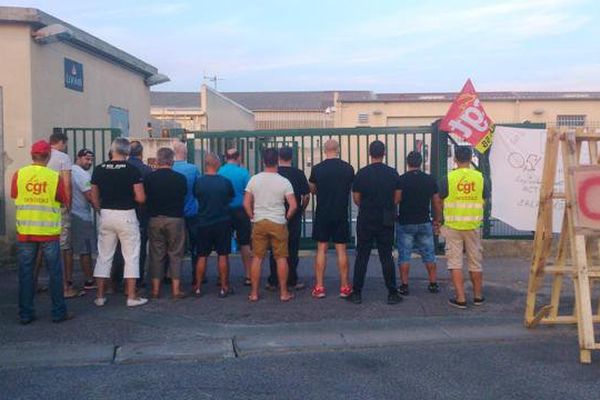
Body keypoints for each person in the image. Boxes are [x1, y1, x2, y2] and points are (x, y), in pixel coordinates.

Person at [11, 140, 73, 324]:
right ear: (48, 156)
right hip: (48, 232)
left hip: (26, 231)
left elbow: (15, 195)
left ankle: (25, 314)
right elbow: (63, 199)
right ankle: (58, 313)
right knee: (54, 273)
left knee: (26, 273)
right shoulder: (53, 177)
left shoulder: (19, 174)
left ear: (32, 155)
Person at [90, 138, 148, 307]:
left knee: (104, 255)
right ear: (127, 152)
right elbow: (140, 197)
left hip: (106, 214)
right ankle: (131, 296)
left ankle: (100, 296)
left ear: (112, 150)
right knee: (131, 256)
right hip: (127, 214)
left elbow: (94, 196)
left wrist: (101, 209)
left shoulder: (99, 169)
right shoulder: (131, 170)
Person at [347, 140, 402, 305]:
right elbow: (398, 197)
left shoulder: (362, 174)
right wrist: (388, 205)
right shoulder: (393, 173)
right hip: (386, 217)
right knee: (386, 256)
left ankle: (357, 293)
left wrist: (366, 205)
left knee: (362, 256)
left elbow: (356, 198)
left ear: (370, 153)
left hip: (366, 217)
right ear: (383, 153)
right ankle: (392, 293)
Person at [244, 148, 297, 302]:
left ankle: (254, 293)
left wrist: (252, 216)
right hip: (278, 222)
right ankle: (284, 293)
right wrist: (286, 218)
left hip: (259, 222)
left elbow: (246, 203)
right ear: (277, 162)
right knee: (281, 258)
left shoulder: (254, 180)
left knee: (257, 258)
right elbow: (293, 205)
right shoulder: (284, 181)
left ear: (263, 161)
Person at [440, 145, 490, 309]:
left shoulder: (448, 178)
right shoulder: (480, 178)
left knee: (455, 262)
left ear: (455, 159)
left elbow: (440, 199)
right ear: (470, 159)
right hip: (473, 225)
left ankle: (460, 298)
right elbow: (485, 199)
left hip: (453, 225)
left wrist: (439, 219)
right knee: (475, 262)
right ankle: (478, 296)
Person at [308, 139, 354, 299]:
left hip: (323, 213)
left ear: (324, 150)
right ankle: (344, 287)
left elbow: (312, 189)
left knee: (322, 249)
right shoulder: (348, 168)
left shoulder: (317, 169)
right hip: (340, 212)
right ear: (338, 149)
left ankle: (319, 287)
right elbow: (350, 187)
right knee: (341, 250)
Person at [396, 151, 442, 295]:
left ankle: (404, 285)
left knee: (404, 254)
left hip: (405, 222)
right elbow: (436, 202)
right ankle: (433, 283)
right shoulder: (429, 180)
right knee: (429, 254)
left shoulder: (401, 180)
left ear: (407, 162)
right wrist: (437, 220)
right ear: (421, 162)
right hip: (424, 221)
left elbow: (396, 200)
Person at [145, 147, 187, 299]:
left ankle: (155, 290)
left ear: (157, 160)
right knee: (176, 254)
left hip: (155, 218)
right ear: (172, 161)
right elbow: (183, 195)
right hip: (175, 219)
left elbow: (145, 198)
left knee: (156, 254)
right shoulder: (180, 178)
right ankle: (176, 290)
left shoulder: (149, 178)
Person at [267, 146, 309, 291]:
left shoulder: (274, 173)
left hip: (275, 214)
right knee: (292, 249)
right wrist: (301, 209)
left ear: (279, 157)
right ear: (292, 157)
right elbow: (306, 196)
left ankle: (273, 281)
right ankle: (292, 279)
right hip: (294, 215)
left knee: (275, 249)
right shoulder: (298, 173)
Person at [193, 153, 234, 297]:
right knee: (223, 255)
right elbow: (230, 198)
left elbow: (196, 196)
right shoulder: (225, 182)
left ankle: (197, 287)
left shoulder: (199, 182)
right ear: (217, 164)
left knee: (202, 255)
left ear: (206, 164)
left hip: (203, 221)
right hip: (222, 221)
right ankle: (224, 287)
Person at [46, 131, 82, 298]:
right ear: (61, 142)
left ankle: (35, 282)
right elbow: (66, 184)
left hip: (41, 206)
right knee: (64, 246)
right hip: (59, 205)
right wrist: (68, 205)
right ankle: (66, 284)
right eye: (65, 143)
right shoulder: (63, 157)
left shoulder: (41, 156)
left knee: (39, 246)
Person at [218, 148, 252, 286]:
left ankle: (222, 277)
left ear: (226, 158)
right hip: (241, 210)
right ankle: (249, 275)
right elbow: (249, 193)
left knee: (223, 245)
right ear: (238, 158)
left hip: (224, 210)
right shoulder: (243, 172)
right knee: (244, 243)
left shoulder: (220, 172)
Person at [172, 140, 201, 285]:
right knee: (195, 245)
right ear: (185, 153)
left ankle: (171, 276)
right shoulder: (193, 169)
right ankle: (197, 275)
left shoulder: (169, 169)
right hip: (192, 211)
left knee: (173, 247)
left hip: (174, 213)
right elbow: (198, 189)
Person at [70, 148, 97, 290]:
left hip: (73, 213)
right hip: (81, 216)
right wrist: (100, 210)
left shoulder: (72, 171)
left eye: (91, 159)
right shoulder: (81, 174)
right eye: (87, 159)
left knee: (72, 249)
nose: (89, 162)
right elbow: (90, 196)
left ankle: (69, 281)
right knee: (85, 249)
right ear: (78, 158)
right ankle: (89, 280)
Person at [127, 140, 152, 288]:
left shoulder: (122, 167)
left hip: (121, 211)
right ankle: (138, 278)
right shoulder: (146, 170)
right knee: (140, 246)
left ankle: (117, 279)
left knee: (120, 248)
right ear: (141, 153)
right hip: (141, 212)